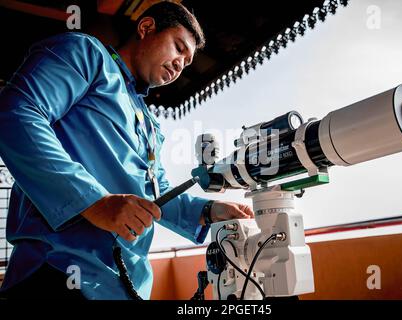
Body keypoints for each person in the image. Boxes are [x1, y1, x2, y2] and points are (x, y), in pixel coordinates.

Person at [0, 2, 254, 300]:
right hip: (59, 273)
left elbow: (155, 195)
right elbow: (17, 113)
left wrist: (208, 211)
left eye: (186, 63)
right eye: (177, 48)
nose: (179, 65)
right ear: (146, 28)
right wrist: (95, 202)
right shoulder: (86, 54)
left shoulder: (149, 123)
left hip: (127, 287)